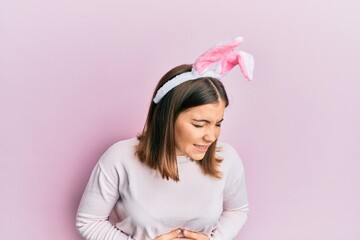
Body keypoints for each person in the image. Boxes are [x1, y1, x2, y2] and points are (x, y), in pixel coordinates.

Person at [76, 37, 254, 240]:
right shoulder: (120, 158)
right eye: (199, 124)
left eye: (218, 123)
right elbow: (88, 221)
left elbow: (238, 210)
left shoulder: (228, 159)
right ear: (167, 117)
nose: (211, 136)